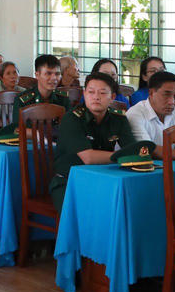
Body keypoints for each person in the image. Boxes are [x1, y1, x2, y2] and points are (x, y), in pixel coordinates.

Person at [52, 72, 136, 209]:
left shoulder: (119, 119)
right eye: (91, 92)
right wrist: (124, 157)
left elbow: (132, 149)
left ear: (112, 97)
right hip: (69, 182)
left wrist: (130, 156)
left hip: (104, 178)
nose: (96, 97)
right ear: (84, 94)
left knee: (127, 204)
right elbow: (89, 158)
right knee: (90, 212)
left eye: (102, 93)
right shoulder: (72, 119)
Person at [0, 53, 70, 139]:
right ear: (37, 75)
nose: (54, 78)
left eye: (57, 74)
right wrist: (46, 134)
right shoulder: (23, 99)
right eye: (48, 73)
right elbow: (19, 130)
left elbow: (69, 126)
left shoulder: (63, 98)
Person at [126, 71, 175, 156]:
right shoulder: (135, 114)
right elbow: (146, 149)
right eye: (166, 95)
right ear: (151, 93)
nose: (172, 102)